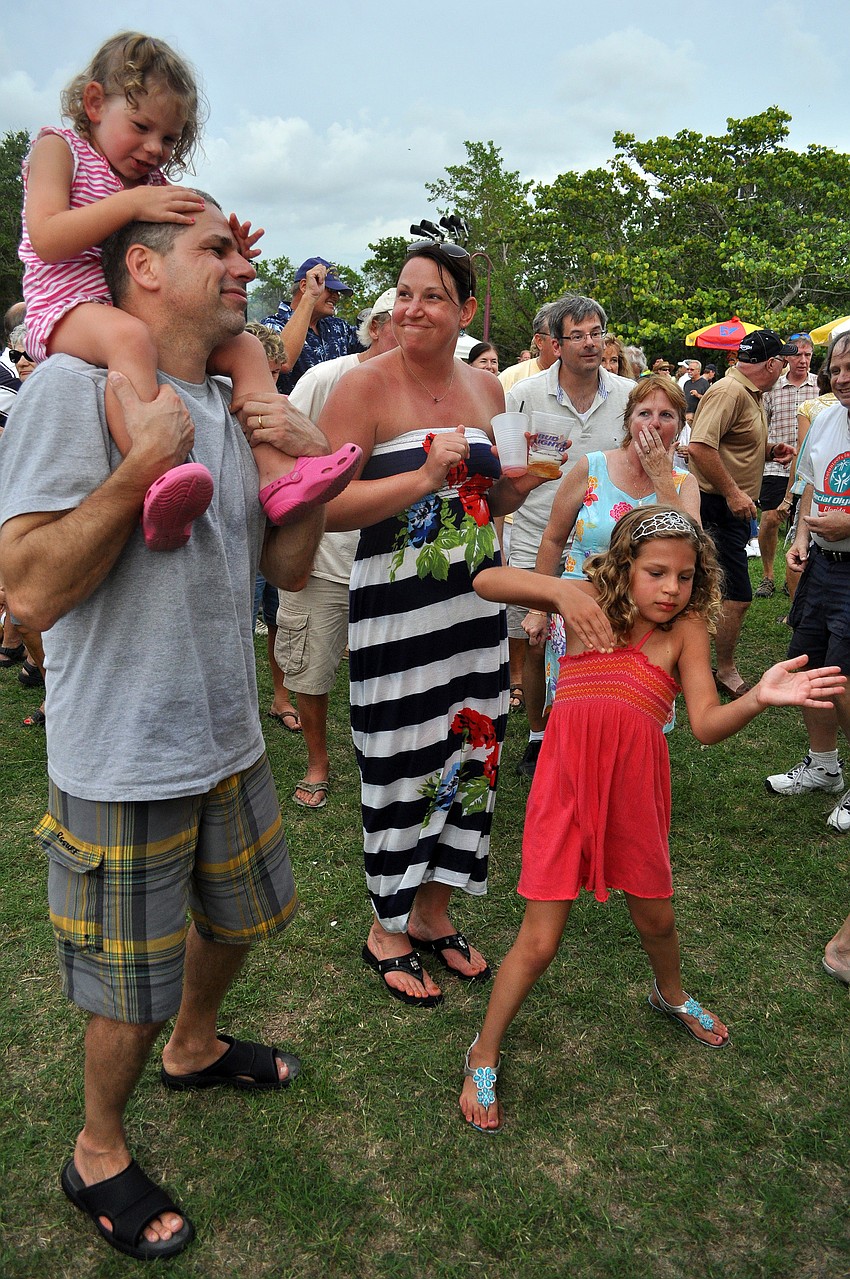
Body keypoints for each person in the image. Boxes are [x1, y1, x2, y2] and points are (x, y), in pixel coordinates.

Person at [0, 195, 327, 1260]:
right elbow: (30, 592)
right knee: (123, 992)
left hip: (227, 736)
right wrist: (143, 465)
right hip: (122, 754)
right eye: (217, 250)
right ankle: (98, 1148)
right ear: (141, 267)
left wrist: (310, 474)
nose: (242, 266)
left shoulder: (229, 400)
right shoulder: (72, 387)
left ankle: (195, 1046)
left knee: (239, 922)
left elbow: (277, 571)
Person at [459, 506, 844, 1132]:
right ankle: (484, 1049)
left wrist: (756, 698)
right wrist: (556, 588)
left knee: (658, 916)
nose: (671, 588)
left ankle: (669, 992)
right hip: (565, 789)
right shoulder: (585, 605)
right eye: (656, 572)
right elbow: (486, 583)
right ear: (624, 567)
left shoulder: (686, 632)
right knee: (540, 941)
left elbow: (705, 725)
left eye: (686, 576)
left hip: (635, 796)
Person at [318, 240, 551, 1006]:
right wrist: (420, 475)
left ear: (466, 310)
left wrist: (520, 483)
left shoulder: (488, 387)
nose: (413, 309)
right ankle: (386, 924)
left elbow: (492, 499)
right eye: (404, 293)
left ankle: (434, 912)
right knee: (399, 758)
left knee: (474, 751)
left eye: (432, 296)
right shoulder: (363, 386)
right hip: (397, 612)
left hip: (474, 606)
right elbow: (324, 506)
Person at [19, 30, 359, 550]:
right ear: (93, 103)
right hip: (66, 303)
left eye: (171, 139)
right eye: (141, 127)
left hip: (121, 306)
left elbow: (179, 243)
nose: (156, 148)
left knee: (247, 346)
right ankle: (159, 477)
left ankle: (275, 473)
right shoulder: (58, 149)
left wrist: (226, 249)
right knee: (130, 340)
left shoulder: (150, 184)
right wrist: (130, 207)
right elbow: (47, 238)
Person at [505, 293, 633, 777]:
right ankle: (538, 737)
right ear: (555, 344)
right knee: (535, 638)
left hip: (603, 545)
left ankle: (599, 729)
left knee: (601, 637)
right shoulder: (524, 394)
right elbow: (509, 465)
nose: (588, 343)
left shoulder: (627, 394)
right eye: (576, 335)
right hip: (536, 530)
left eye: (595, 333)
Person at [280, 288, 399, 809]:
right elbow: (279, 447)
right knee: (312, 666)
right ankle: (317, 762)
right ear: (376, 327)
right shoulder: (326, 377)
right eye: (402, 321)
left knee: (391, 670)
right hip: (324, 557)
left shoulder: (419, 389)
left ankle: (384, 761)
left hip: (393, 561)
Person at [522, 376, 700, 704]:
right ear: (628, 419)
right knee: (576, 710)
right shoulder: (593, 467)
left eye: (667, 415)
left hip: (646, 618)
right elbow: (553, 538)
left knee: (632, 714)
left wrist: (661, 477)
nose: (654, 423)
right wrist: (538, 608)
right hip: (580, 609)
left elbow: (691, 547)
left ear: (679, 426)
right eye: (645, 413)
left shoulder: (683, 483)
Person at [765, 332, 850, 832]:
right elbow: (812, 488)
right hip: (822, 565)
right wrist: (800, 539)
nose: (842, 379)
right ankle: (824, 767)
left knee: (842, 682)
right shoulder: (825, 420)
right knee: (810, 668)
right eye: (836, 369)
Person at [688, 329, 798, 698]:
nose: (784, 367)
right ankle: (723, 670)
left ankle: (693, 664)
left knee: (710, 590)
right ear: (770, 364)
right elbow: (700, 447)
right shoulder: (729, 391)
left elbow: (728, 443)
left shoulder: (747, 392)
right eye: (782, 360)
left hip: (726, 504)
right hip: (715, 505)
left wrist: (767, 451)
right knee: (736, 594)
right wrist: (734, 492)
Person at [753, 333, 817, 598]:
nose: (803, 361)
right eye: (798, 355)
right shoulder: (773, 388)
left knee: (808, 524)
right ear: (787, 357)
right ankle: (768, 575)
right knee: (769, 519)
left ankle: (800, 577)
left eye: (808, 355)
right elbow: (761, 426)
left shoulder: (820, 386)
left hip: (811, 468)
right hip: (777, 465)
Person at [263, 256, 361, 394]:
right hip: (291, 414)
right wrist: (311, 296)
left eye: (337, 292)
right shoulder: (271, 326)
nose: (337, 297)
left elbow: (376, 343)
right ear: (304, 286)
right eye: (330, 289)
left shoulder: (338, 328)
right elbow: (282, 362)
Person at [498, 303, 557, 392]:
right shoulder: (511, 378)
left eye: (575, 336)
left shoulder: (582, 380)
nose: (566, 341)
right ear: (539, 341)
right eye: (558, 336)